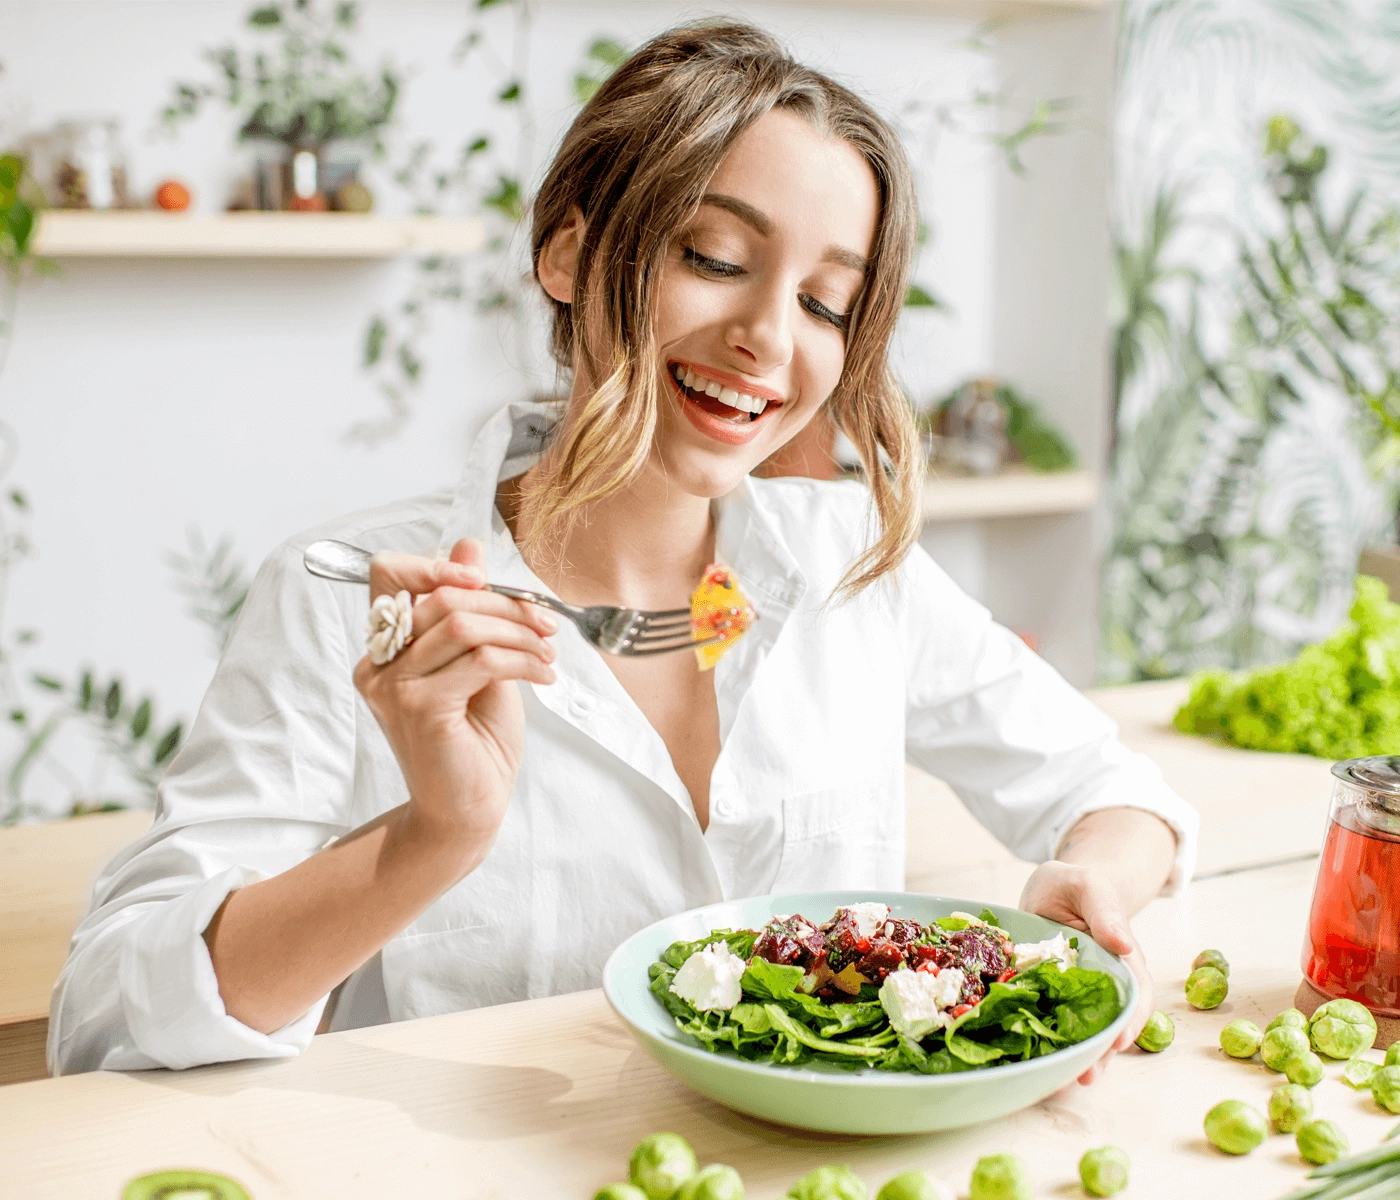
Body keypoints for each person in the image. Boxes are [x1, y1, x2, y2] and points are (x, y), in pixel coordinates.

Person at [49, 22, 1196, 1082]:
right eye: (710, 255)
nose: (765, 338)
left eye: (825, 301)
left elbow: (1112, 791)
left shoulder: (852, 564)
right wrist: (430, 836)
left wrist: (1088, 885)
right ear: (566, 255)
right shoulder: (351, 593)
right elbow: (105, 1019)